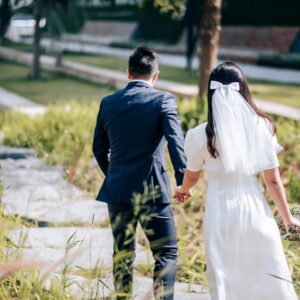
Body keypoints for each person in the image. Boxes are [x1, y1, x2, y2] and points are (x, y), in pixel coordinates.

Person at [174, 62, 299, 300]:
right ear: (243, 91)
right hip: (255, 211)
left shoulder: (200, 135)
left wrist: (183, 189)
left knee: (224, 276)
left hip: (220, 213)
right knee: (267, 275)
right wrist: (287, 218)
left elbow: (192, 175)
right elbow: (273, 181)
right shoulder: (262, 127)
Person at [92, 47, 186, 299]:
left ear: (128, 73)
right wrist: (182, 181)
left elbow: (98, 149)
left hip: (118, 191)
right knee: (166, 252)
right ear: (156, 75)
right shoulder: (163, 101)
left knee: (122, 253)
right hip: (154, 191)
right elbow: (176, 142)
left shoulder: (108, 102)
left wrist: (113, 175)